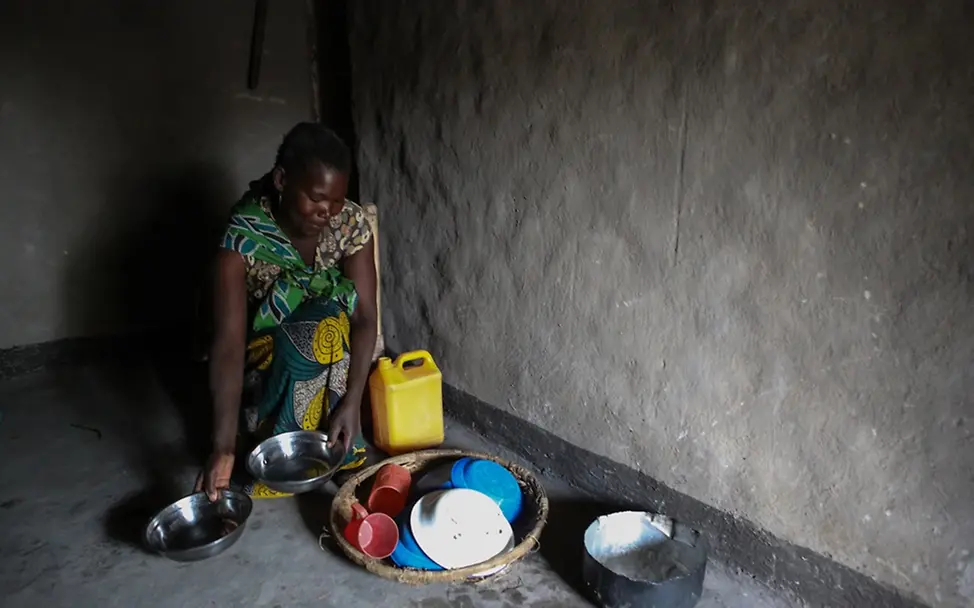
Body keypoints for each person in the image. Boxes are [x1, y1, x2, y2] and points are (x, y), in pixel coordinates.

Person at [196, 123, 378, 500]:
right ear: (281, 180)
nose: (327, 212)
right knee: (314, 329)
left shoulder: (350, 226)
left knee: (330, 320)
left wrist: (354, 398)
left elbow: (363, 317)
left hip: (331, 353)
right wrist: (222, 446)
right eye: (316, 198)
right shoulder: (242, 239)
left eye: (337, 201)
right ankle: (274, 451)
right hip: (264, 363)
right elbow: (228, 345)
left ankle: (340, 442)